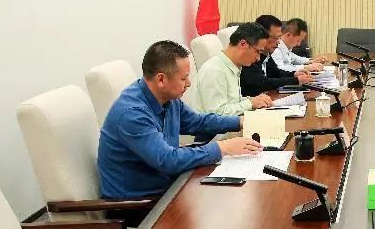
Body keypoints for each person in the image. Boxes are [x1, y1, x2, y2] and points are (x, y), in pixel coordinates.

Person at [98, 40, 262, 205]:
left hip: (169, 186)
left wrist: (241, 121)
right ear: (161, 79)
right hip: (138, 204)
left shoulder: (168, 98)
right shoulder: (132, 114)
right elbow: (167, 160)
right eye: (184, 78)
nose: (189, 83)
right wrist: (223, 148)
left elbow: (198, 122)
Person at [190, 22, 274, 115]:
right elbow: (217, 113)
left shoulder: (232, 66)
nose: (258, 58)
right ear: (243, 44)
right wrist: (250, 103)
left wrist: (253, 100)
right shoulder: (215, 70)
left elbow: (232, 101)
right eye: (258, 51)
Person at [240, 14, 314, 96]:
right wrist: (295, 80)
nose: (279, 42)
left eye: (279, 38)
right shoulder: (249, 56)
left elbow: (277, 73)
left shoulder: (266, 54)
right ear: (261, 36)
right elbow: (262, 83)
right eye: (276, 38)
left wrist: (294, 74)